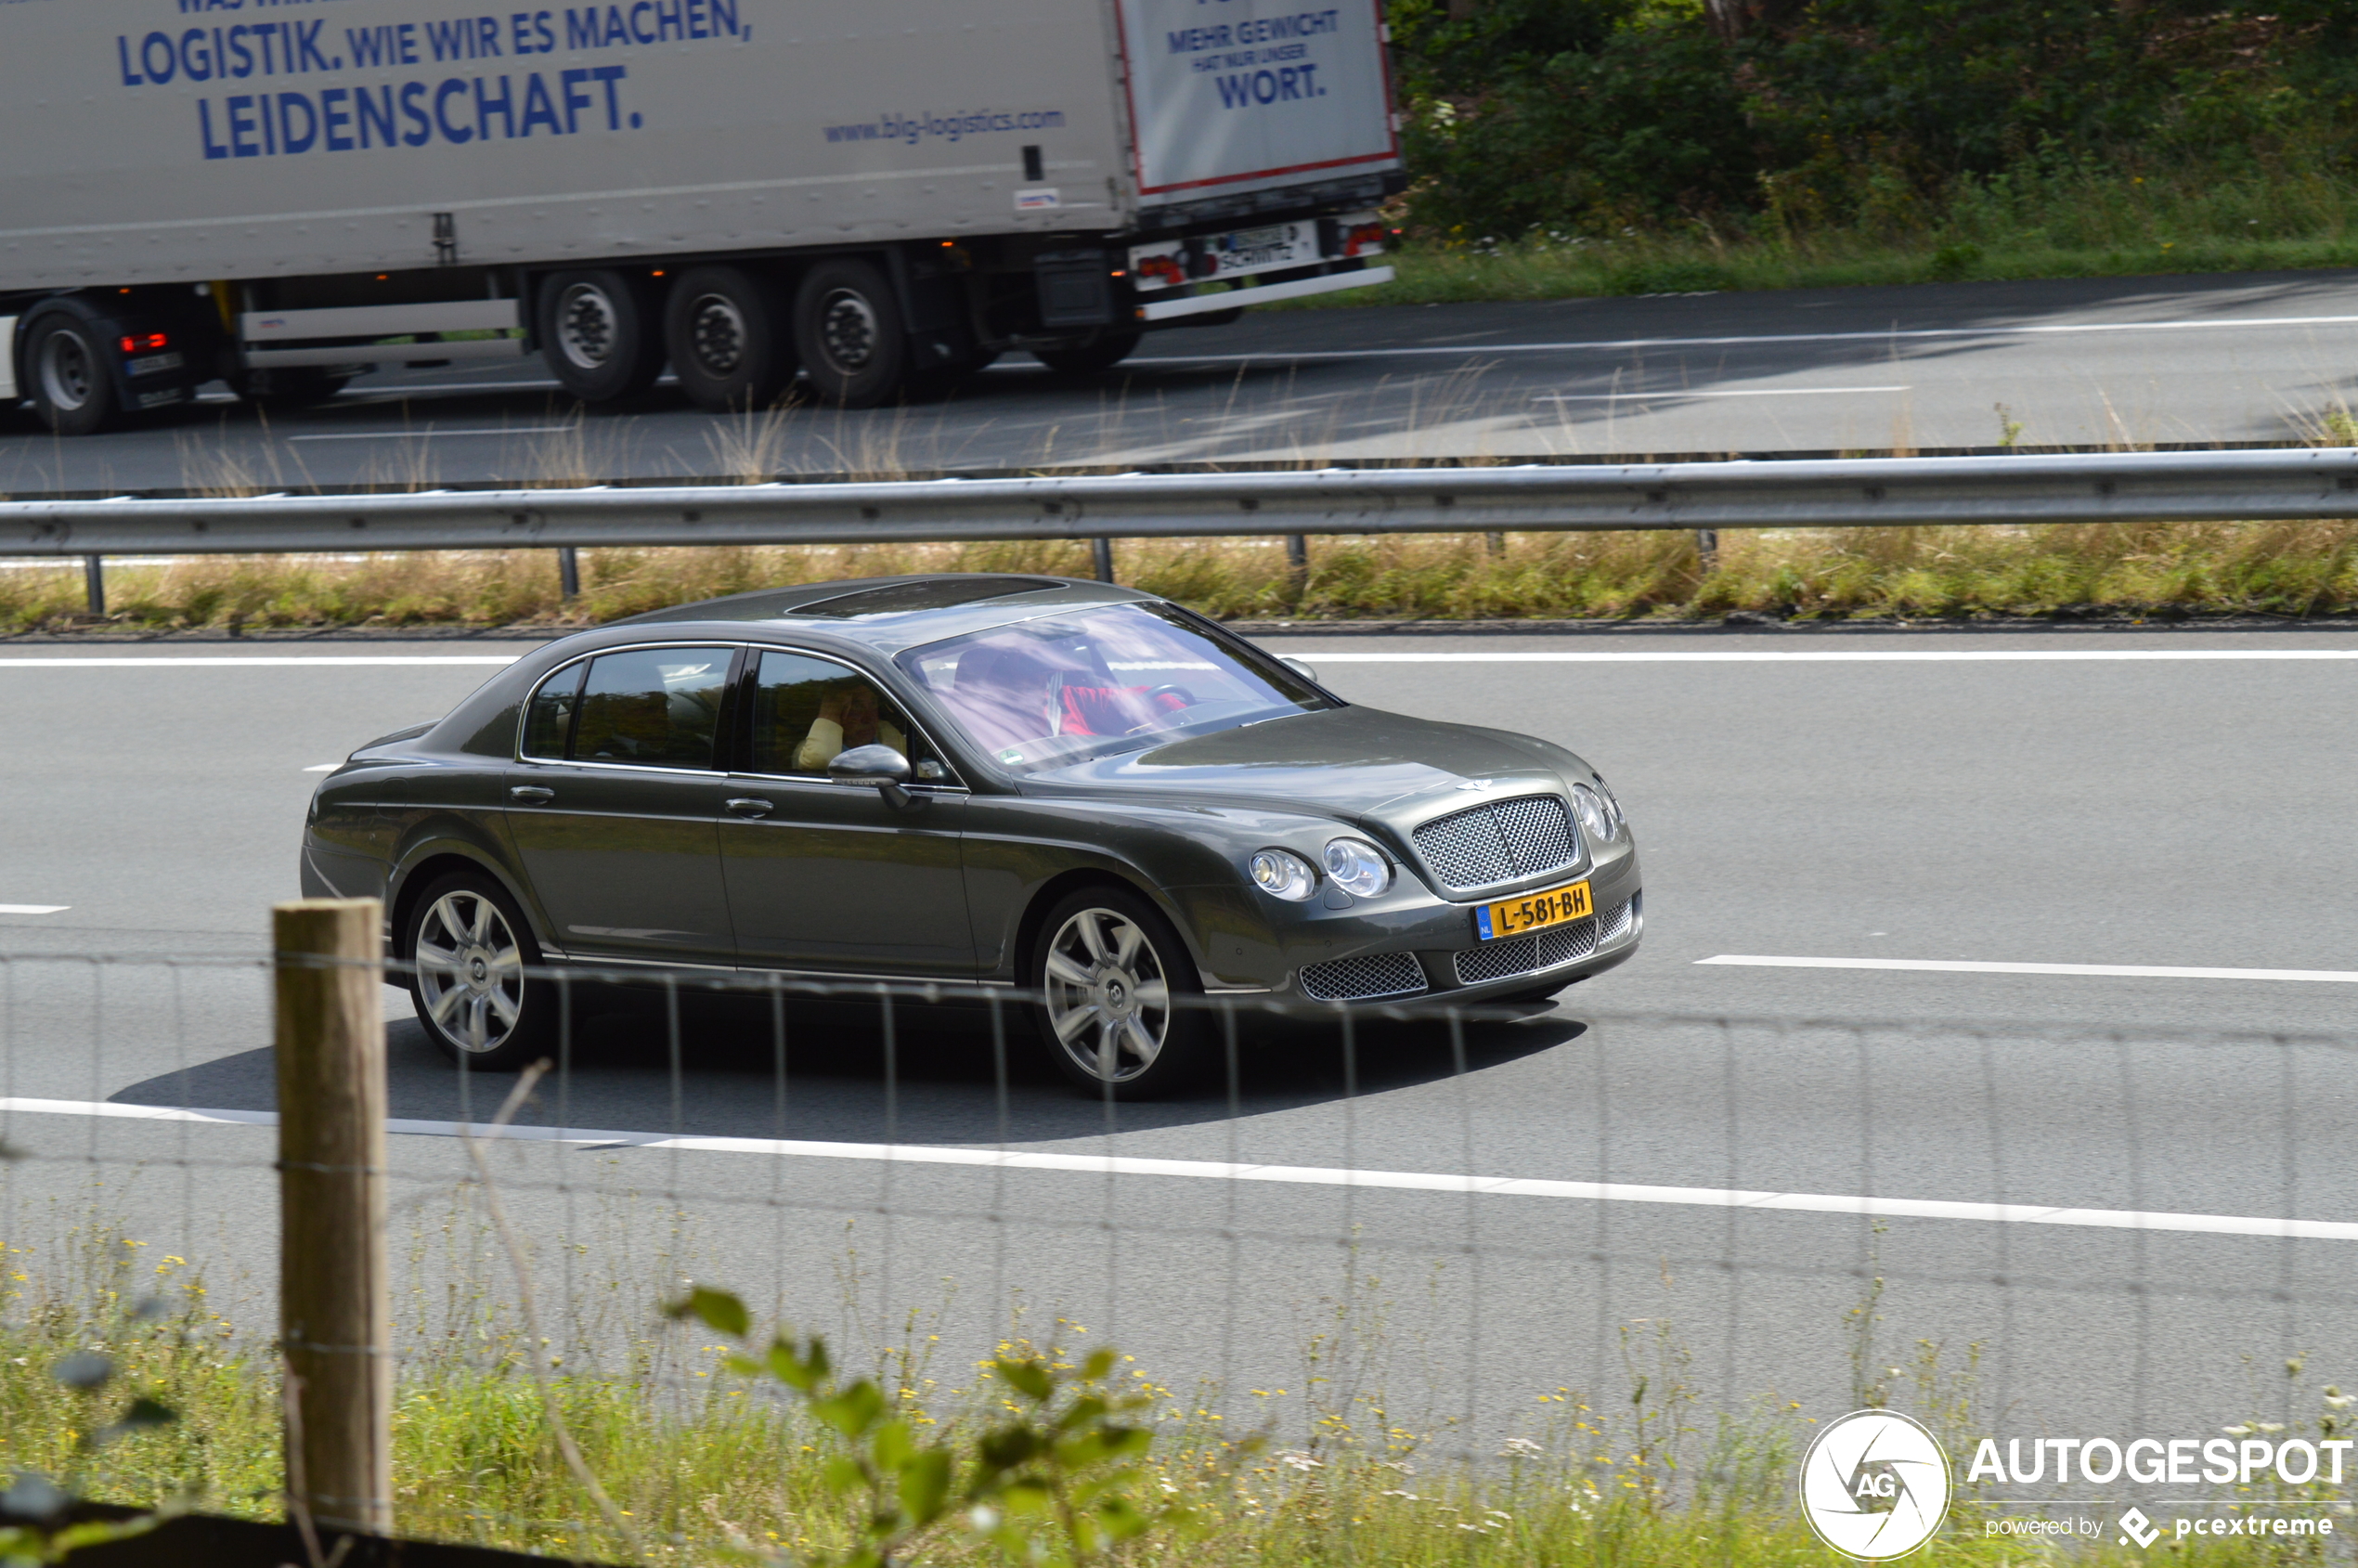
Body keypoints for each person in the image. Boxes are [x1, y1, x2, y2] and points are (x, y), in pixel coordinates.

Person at [795, 678, 908, 771]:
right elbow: (820, 759)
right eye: (857, 707)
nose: (868, 718)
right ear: (836, 713)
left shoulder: (886, 734)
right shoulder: (809, 750)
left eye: (873, 704)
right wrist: (832, 707)